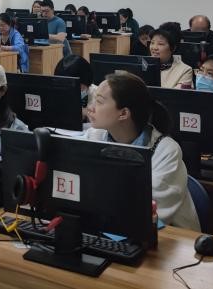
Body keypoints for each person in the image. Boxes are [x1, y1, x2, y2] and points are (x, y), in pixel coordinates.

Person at [85, 72, 199, 230]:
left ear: (123, 113)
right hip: (113, 229)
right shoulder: (94, 136)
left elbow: (149, 207)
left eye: (99, 101)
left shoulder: (166, 150)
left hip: (171, 236)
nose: (90, 108)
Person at [150, 23, 194, 89]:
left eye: (160, 44)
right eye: (152, 43)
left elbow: (175, 94)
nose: (154, 48)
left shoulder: (185, 70)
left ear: (173, 48)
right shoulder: (143, 64)